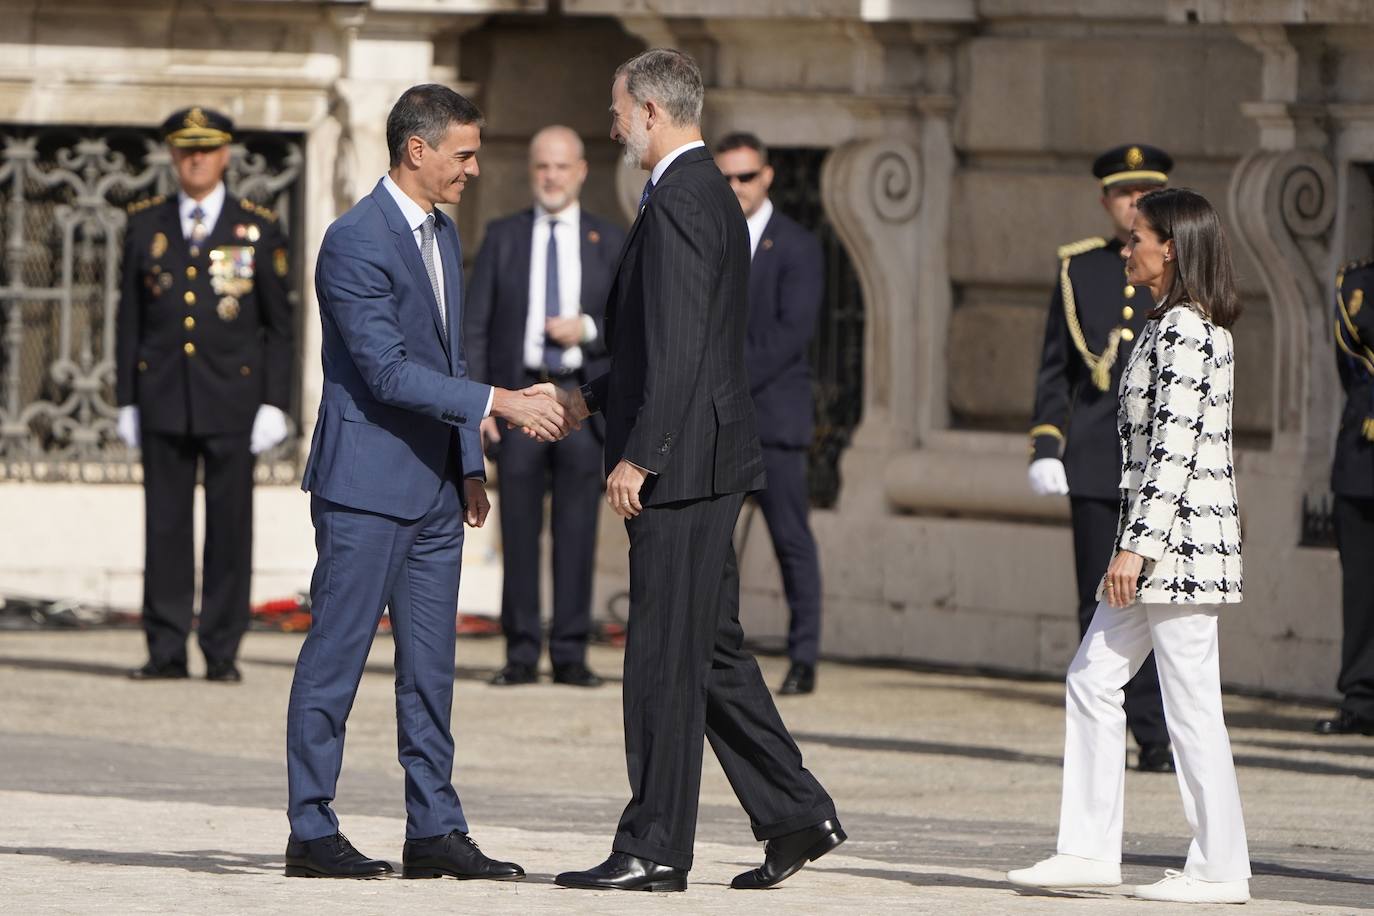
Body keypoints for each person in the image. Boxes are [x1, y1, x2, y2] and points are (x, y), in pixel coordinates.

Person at [552, 48, 842, 895]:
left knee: (660, 660)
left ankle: (653, 848)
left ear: (650, 110)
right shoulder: (703, 190)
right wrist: (584, 396)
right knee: (710, 652)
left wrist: (641, 454)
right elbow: (675, 343)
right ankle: (795, 814)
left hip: (682, 465)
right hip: (707, 454)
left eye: (616, 111)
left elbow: (679, 350)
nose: (612, 126)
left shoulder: (680, 195)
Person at [283, 84, 573, 880]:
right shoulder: (353, 240)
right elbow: (383, 370)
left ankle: (434, 828)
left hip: (438, 492)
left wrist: (468, 467)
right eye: (465, 153)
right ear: (418, 150)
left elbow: (445, 358)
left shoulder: (441, 233)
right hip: (365, 488)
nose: (475, 169)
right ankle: (311, 829)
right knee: (335, 660)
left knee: (430, 671)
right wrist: (500, 403)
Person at [1008, 187, 1250, 905]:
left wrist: (1133, 549)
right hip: (1160, 546)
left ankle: (1222, 866)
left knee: (1191, 705)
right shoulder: (1166, 324)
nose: (1126, 248)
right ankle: (1087, 850)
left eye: (1137, 237)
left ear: (1171, 246)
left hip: (1176, 551)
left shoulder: (1185, 332)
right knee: (1091, 680)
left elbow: (1172, 453)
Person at [115, 106, 292, 684]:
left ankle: (221, 649)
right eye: (186, 149)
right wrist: (126, 399)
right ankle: (165, 648)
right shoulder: (145, 224)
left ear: (224, 155)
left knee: (229, 529)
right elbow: (129, 319)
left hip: (231, 401)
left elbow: (279, 324)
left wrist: (275, 402)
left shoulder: (257, 226)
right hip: (164, 396)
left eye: (207, 149)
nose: (196, 159)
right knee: (164, 528)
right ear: (172, 155)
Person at [1028, 144, 1174, 771]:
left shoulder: (1178, 269)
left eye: (1145, 193)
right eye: (1123, 193)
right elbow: (1055, 368)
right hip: (1094, 457)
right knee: (1100, 601)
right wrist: (1046, 445)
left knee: (1161, 602)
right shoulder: (1079, 269)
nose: (1133, 203)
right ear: (1106, 200)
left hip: (1156, 464)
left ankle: (1158, 733)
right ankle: (1111, 726)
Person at [465, 125, 625, 689]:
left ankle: (571, 652)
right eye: (542, 167)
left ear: (581, 171)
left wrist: (585, 328)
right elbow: (477, 326)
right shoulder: (503, 236)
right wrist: (482, 405)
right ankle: (521, 650)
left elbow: (634, 325)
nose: (551, 177)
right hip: (518, 401)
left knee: (579, 529)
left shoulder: (610, 239)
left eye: (561, 166)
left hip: (580, 402)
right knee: (520, 528)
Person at [713, 131, 825, 696]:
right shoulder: (710, 238)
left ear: (767, 176)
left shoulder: (797, 245)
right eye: (726, 178)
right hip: (720, 420)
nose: (737, 188)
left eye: (746, 177)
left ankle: (804, 654)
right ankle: (715, 648)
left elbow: (791, 335)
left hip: (773, 419)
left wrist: (721, 378)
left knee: (790, 540)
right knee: (712, 541)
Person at [1316, 257, 1374, 736]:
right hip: (1362, 456)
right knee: (1360, 587)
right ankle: (1361, 696)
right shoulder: (1353, 283)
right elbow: (1348, 369)